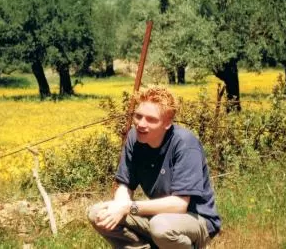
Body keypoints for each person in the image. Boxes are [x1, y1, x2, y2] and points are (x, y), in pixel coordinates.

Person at [87, 86, 221, 249]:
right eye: (138, 116)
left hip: (196, 219)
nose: (141, 124)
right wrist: (119, 206)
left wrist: (128, 207)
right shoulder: (134, 138)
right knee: (98, 213)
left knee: (161, 226)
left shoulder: (185, 144)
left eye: (151, 119)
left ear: (167, 123)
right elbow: (125, 185)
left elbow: (179, 204)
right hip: (161, 217)